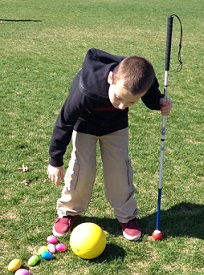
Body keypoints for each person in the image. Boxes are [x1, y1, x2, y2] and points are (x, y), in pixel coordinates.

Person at [47, 48, 171, 241]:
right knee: (83, 169)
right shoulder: (85, 89)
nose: (121, 106)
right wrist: (55, 160)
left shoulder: (140, 80)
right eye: (120, 98)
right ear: (111, 78)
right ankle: (68, 212)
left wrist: (159, 102)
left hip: (115, 127)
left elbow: (150, 94)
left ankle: (127, 216)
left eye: (130, 103)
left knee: (119, 170)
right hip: (85, 125)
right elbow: (64, 121)